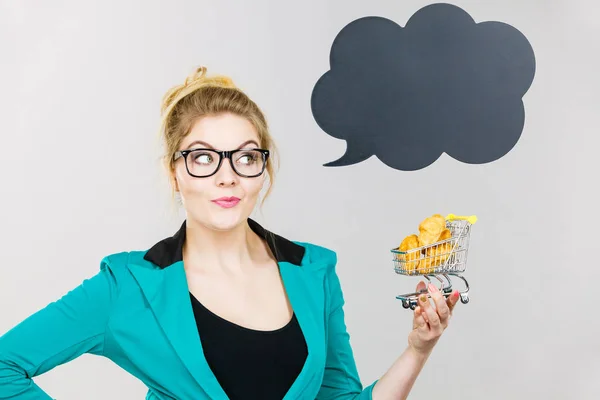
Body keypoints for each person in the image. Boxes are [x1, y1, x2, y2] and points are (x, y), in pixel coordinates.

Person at [0, 66, 460, 400]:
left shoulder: (315, 271)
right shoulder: (130, 286)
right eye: (202, 157)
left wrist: (418, 350)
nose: (227, 177)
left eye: (245, 157)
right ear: (173, 173)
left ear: (263, 170)